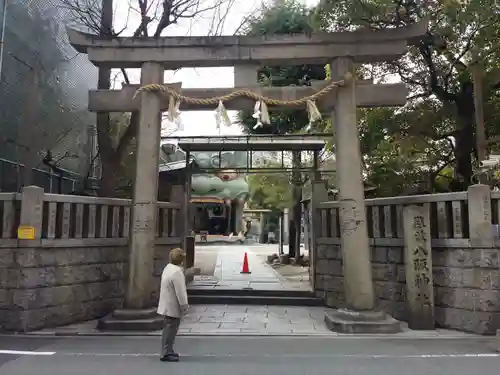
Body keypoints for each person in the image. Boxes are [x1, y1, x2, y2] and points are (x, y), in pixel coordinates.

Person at [157, 248, 189, 362]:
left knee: (168, 328)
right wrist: (184, 306)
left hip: (166, 303)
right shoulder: (177, 272)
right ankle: (166, 352)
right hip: (172, 305)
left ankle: (168, 350)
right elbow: (180, 291)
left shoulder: (168, 268)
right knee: (171, 329)